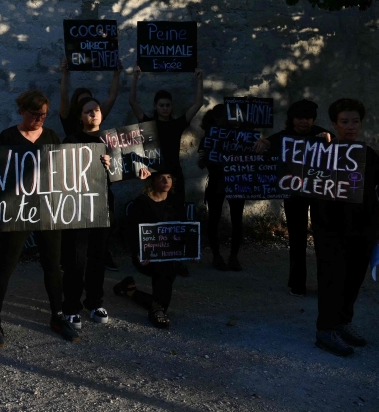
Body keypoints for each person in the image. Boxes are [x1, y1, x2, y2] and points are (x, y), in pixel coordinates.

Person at [0, 90, 79, 348]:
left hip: (47, 210)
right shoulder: (8, 136)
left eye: (44, 114)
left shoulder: (52, 135)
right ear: (22, 111)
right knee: (6, 263)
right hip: (17, 211)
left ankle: (57, 316)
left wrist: (101, 162)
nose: (40, 119)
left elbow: (68, 168)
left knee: (52, 264)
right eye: (35, 114)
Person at [308, 99, 379, 357]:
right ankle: (325, 331)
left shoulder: (370, 154)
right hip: (330, 228)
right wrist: (319, 144)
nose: (351, 127)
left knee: (353, 280)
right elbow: (305, 172)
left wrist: (377, 227)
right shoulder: (323, 150)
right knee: (332, 279)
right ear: (335, 124)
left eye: (355, 121)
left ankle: (342, 323)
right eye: (345, 122)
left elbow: (373, 194)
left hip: (362, 228)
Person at [60, 96, 124, 330]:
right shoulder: (71, 140)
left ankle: (95, 303)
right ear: (80, 116)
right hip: (77, 209)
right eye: (88, 111)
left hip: (103, 208)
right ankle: (71, 307)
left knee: (98, 258)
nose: (93, 114)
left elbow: (122, 173)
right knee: (75, 260)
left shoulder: (112, 141)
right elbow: (62, 176)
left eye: (96, 110)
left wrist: (112, 167)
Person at [253, 99, 329, 295]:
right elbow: (269, 141)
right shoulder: (285, 135)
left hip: (320, 193)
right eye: (299, 118)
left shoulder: (322, 134)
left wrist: (331, 141)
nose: (304, 122)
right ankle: (297, 283)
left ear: (313, 119)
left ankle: (326, 283)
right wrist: (262, 142)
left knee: (324, 238)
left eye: (308, 118)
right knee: (297, 239)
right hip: (295, 194)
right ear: (292, 119)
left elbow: (342, 153)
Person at [57, 61, 122, 272]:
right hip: (77, 182)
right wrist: (65, 74)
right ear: (78, 110)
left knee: (106, 220)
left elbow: (112, 97)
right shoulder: (69, 122)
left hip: (100, 182)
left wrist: (116, 72)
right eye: (83, 104)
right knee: (75, 228)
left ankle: (102, 254)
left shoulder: (100, 126)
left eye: (94, 107)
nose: (91, 112)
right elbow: (64, 98)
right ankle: (72, 259)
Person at [128, 66, 204, 207]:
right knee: (156, 212)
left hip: (174, 174)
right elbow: (132, 102)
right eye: (161, 105)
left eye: (167, 105)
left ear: (171, 106)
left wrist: (199, 80)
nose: (165, 108)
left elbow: (198, 103)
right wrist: (135, 77)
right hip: (155, 175)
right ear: (155, 106)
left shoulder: (177, 124)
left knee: (176, 210)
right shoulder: (149, 124)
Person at [113, 172, 182, 329]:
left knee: (168, 268)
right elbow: (130, 232)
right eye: (161, 177)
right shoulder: (141, 202)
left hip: (168, 253)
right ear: (152, 181)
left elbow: (183, 230)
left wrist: (190, 251)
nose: (166, 181)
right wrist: (139, 252)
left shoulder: (175, 202)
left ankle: (132, 292)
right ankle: (157, 311)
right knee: (165, 269)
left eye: (169, 177)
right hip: (146, 255)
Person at [197, 106, 246, 271]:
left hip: (235, 181)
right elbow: (201, 163)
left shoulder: (239, 137)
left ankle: (233, 256)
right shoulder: (208, 138)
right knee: (215, 219)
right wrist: (208, 158)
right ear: (215, 119)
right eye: (223, 117)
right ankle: (218, 256)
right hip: (218, 181)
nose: (227, 120)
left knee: (236, 219)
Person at [57, 59, 121, 138]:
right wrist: (65, 74)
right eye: (83, 102)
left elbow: (112, 97)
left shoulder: (96, 115)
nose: (93, 114)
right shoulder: (68, 116)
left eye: (88, 100)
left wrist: (116, 74)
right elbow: (64, 96)